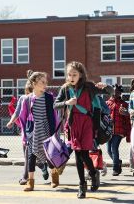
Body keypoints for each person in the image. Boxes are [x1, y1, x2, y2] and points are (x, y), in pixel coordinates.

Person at [54, 61, 113, 199]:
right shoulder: (65, 88)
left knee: (84, 154)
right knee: (77, 155)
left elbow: (109, 92)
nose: (71, 77)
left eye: (74, 74)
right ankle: (82, 185)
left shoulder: (89, 86)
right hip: (73, 123)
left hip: (87, 123)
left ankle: (93, 173)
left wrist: (107, 86)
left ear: (81, 74)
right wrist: (66, 103)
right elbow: (55, 105)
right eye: (69, 74)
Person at [18, 71, 58, 191]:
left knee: (49, 154)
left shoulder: (49, 97)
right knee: (31, 155)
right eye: (42, 82)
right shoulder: (27, 99)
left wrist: (55, 132)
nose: (45, 84)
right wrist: (24, 135)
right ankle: (31, 183)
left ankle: (54, 178)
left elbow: (54, 116)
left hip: (46, 129)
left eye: (46, 82)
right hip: (33, 131)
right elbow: (22, 117)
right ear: (34, 83)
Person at [6, 79, 50, 185]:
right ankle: (30, 174)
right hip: (27, 132)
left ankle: (32, 173)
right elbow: (16, 113)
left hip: (39, 131)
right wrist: (11, 121)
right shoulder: (24, 99)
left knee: (36, 154)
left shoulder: (40, 98)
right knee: (28, 155)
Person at [106, 84, 131, 176]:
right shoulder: (107, 103)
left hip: (119, 131)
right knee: (109, 150)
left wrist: (126, 113)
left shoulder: (124, 104)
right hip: (109, 131)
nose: (115, 93)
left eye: (117, 91)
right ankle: (118, 162)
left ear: (120, 93)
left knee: (114, 148)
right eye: (113, 91)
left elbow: (128, 119)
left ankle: (115, 168)